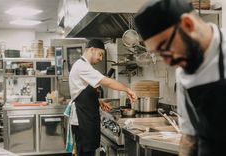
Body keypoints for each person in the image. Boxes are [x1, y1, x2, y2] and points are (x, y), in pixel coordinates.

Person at [134, 0, 226, 156]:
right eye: (159, 54)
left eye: (165, 50)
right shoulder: (183, 72)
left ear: (188, 24)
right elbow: (189, 137)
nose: (168, 61)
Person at [68, 39, 136, 156]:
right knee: (85, 153)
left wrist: (97, 101)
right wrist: (127, 89)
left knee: (88, 152)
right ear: (92, 50)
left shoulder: (83, 65)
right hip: (83, 119)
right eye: (100, 54)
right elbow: (106, 82)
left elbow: (82, 91)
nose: (100, 58)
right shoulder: (82, 66)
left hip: (86, 117)